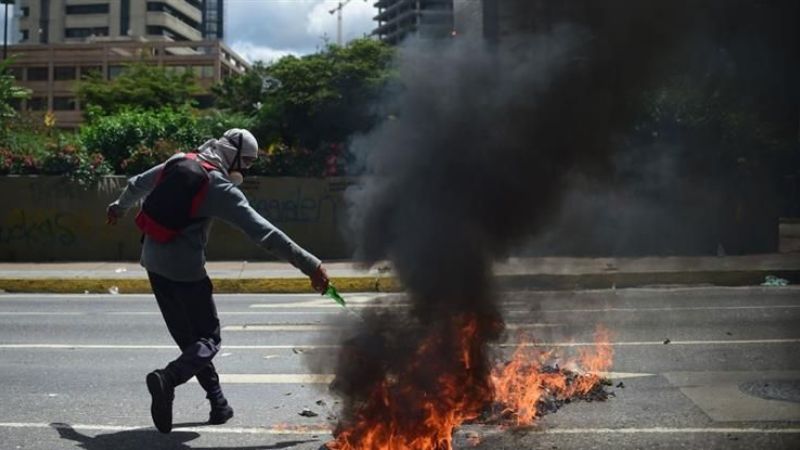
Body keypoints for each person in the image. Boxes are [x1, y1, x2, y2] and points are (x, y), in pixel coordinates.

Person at [106, 128, 329, 433]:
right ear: (234, 156)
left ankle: (218, 403)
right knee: (209, 340)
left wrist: (118, 208)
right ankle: (168, 379)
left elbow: (136, 184)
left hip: (151, 261)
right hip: (186, 271)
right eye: (246, 163)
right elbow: (266, 234)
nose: (246, 169)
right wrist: (311, 266)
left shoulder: (179, 160)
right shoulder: (219, 187)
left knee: (190, 341)